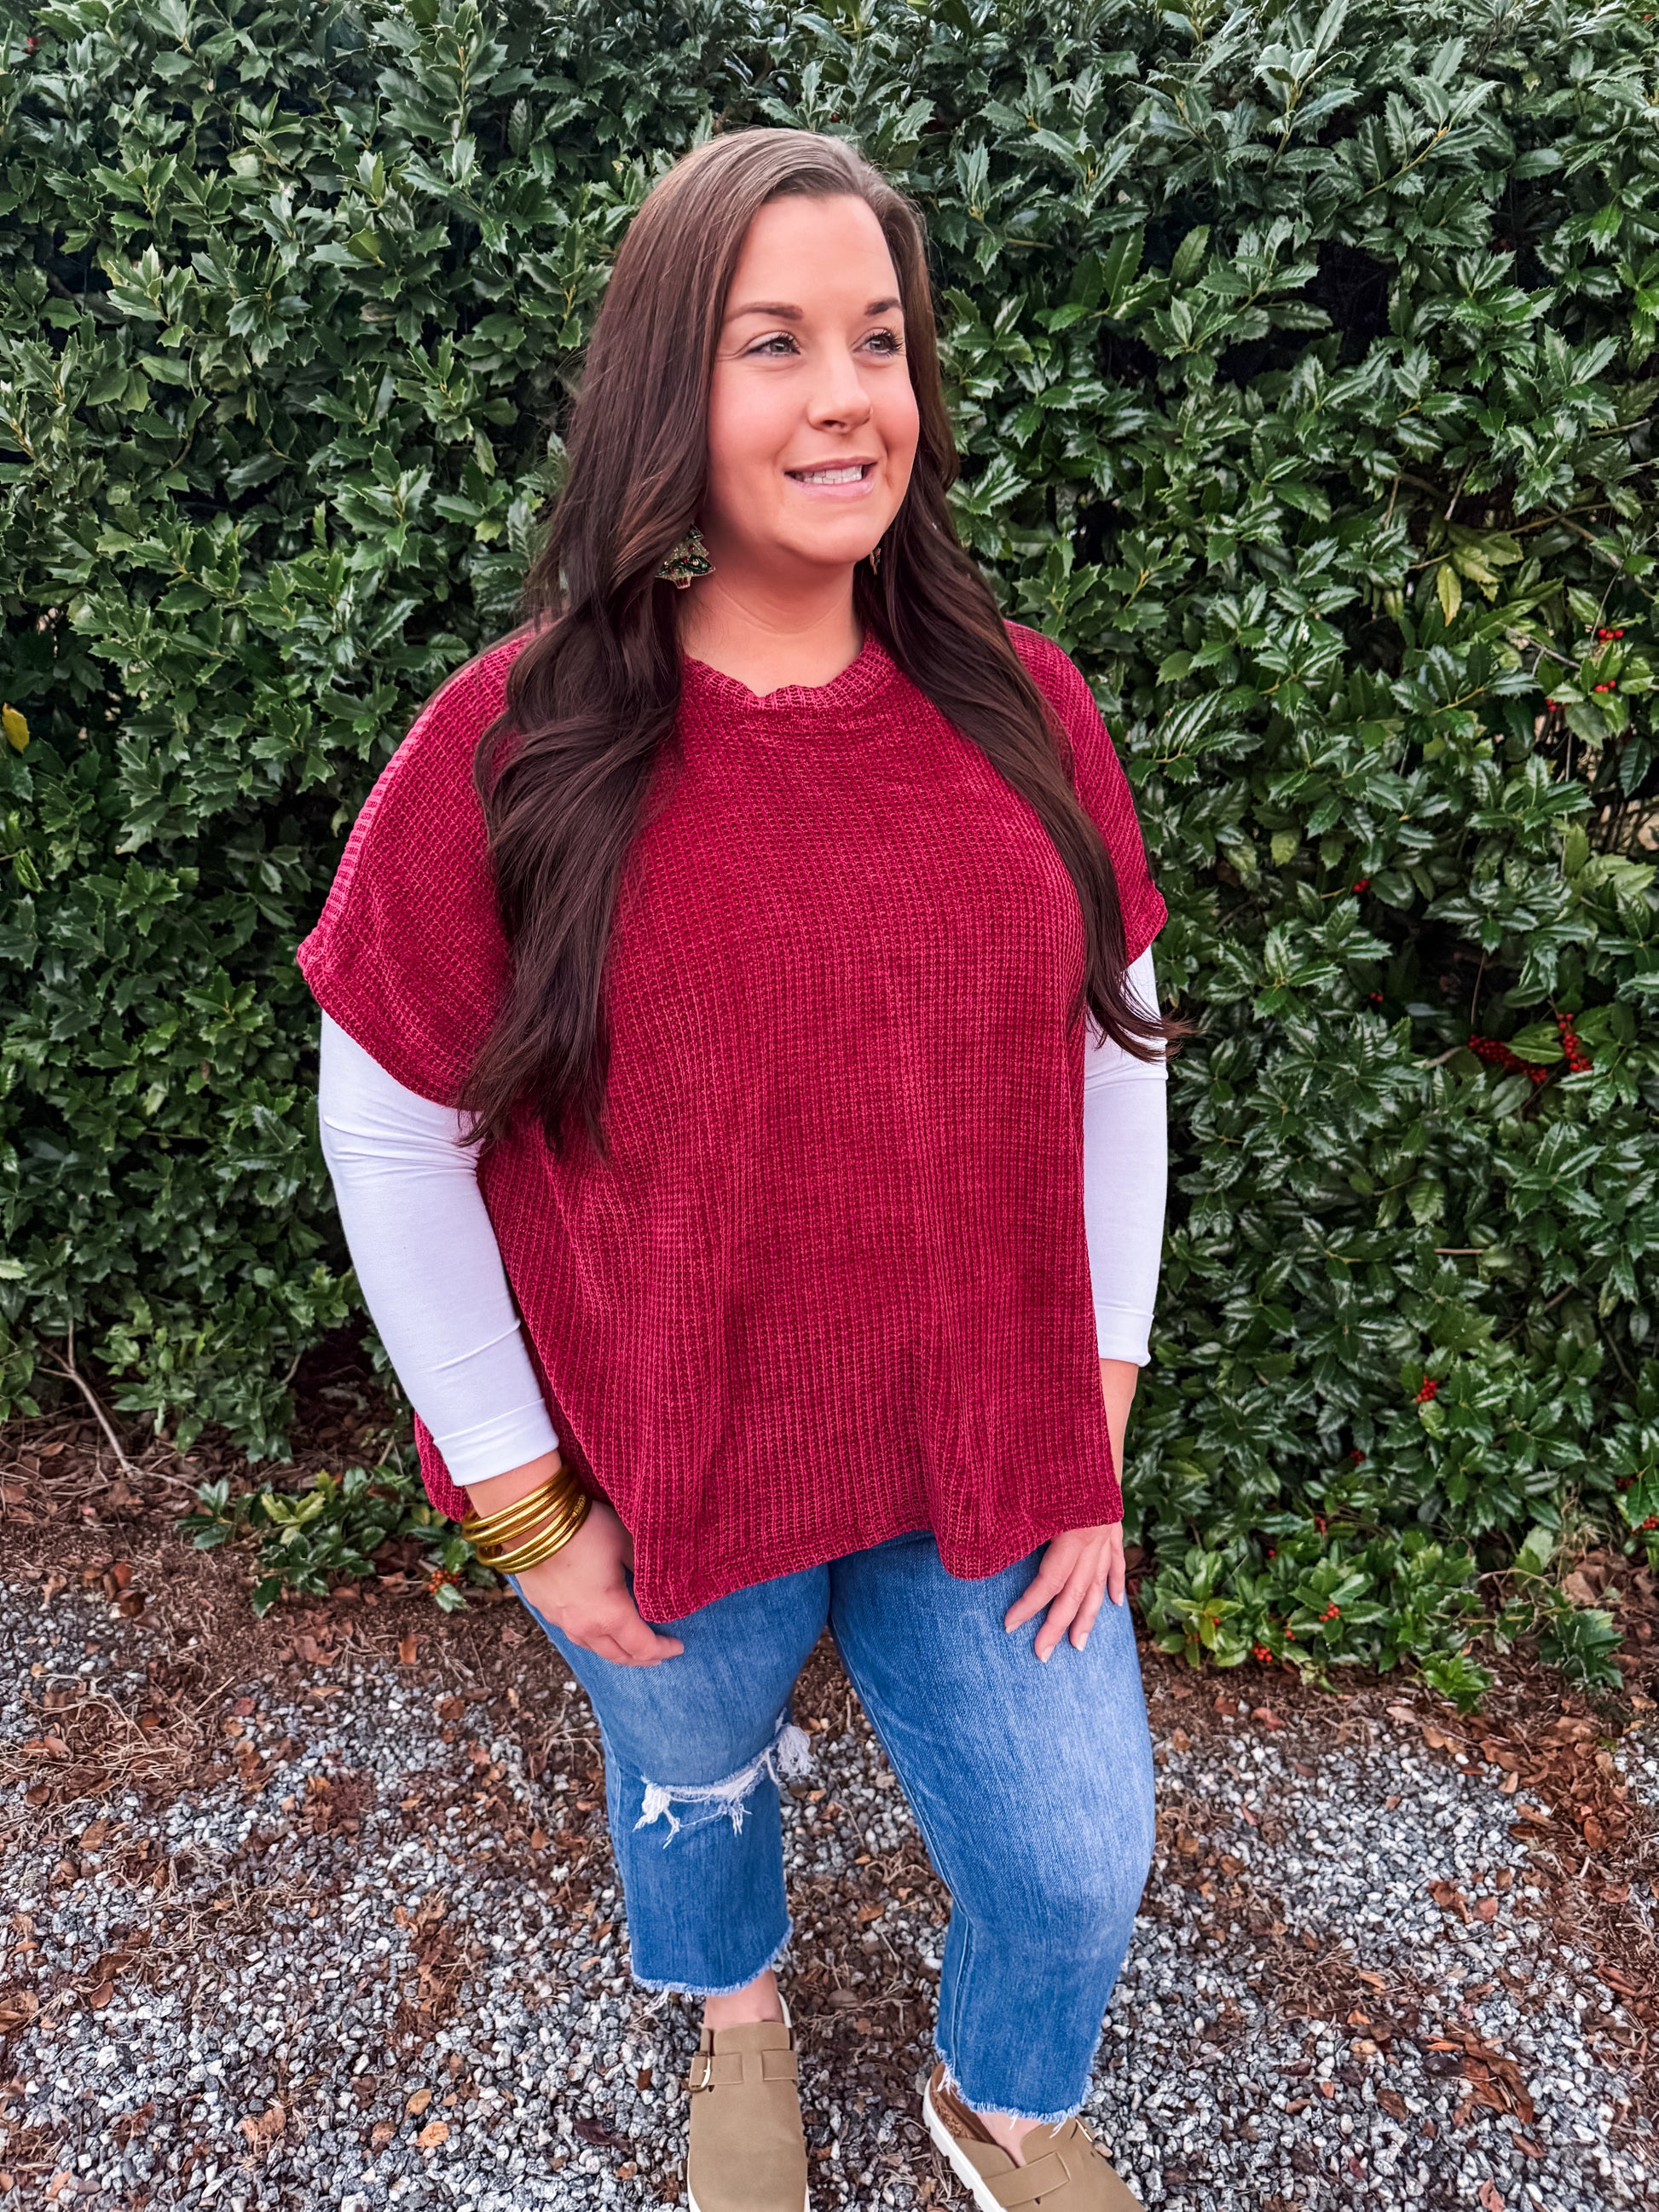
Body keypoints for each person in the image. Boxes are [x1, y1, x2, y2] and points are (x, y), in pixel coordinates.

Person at [299, 125, 1181, 2212]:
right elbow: (391, 1115)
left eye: (879, 339)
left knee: (1078, 1852)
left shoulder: (1023, 708)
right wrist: (522, 1498)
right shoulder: (521, 744)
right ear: (663, 389)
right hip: (667, 1446)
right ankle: (739, 2015)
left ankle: (1004, 2096)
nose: (845, 394)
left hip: (983, 1438)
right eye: (772, 342)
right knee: (691, 1776)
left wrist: (1100, 1398)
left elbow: (1117, 1047)